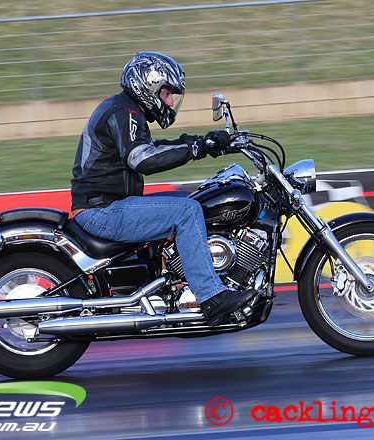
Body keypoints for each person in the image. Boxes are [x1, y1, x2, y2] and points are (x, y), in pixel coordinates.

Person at [70, 51, 257, 324]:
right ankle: (212, 298)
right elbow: (142, 158)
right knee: (187, 211)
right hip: (102, 211)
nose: (170, 102)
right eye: (167, 93)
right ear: (147, 86)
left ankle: (174, 282)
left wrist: (200, 142)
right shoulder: (124, 113)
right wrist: (196, 148)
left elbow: (153, 147)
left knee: (192, 200)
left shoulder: (126, 109)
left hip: (109, 205)